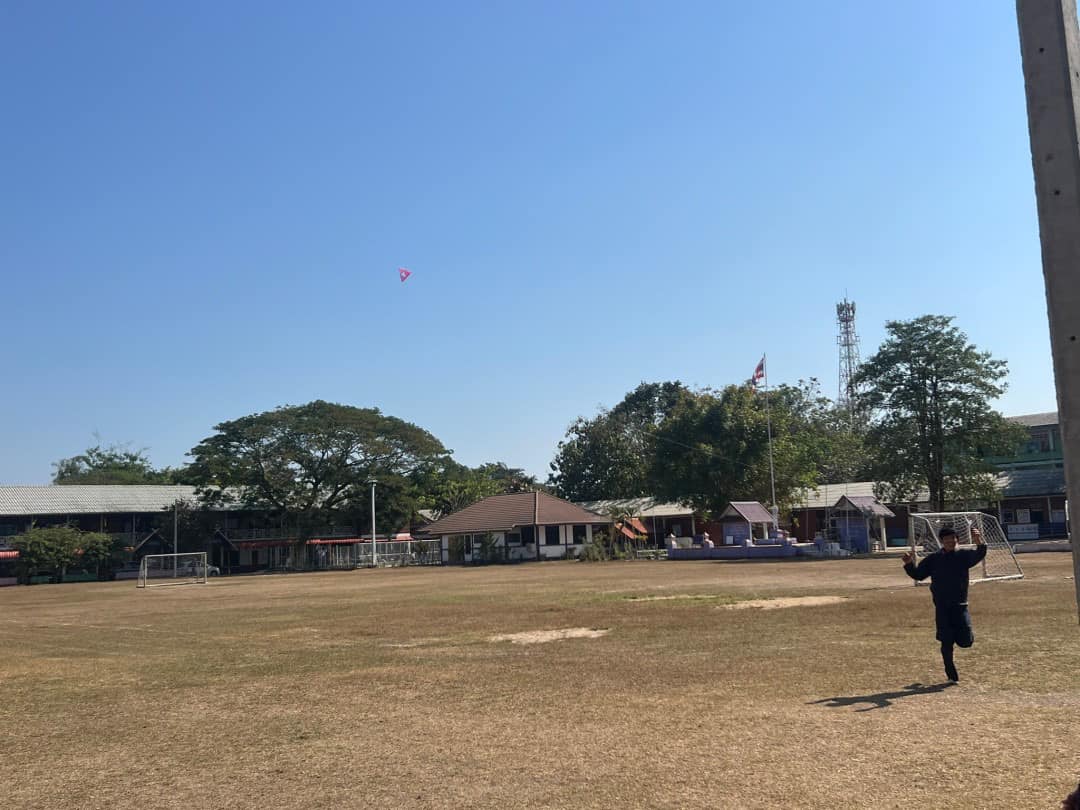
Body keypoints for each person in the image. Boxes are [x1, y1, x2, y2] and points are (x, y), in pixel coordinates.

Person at [902, 524, 987, 683]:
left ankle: (961, 639)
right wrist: (908, 564)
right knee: (946, 642)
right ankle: (951, 675)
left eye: (953, 538)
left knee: (966, 641)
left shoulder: (963, 556)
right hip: (942, 608)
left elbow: (980, 553)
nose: (950, 541)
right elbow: (919, 575)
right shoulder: (934, 559)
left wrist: (978, 540)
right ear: (941, 541)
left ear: (957, 540)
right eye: (947, 539)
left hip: (960, 606)